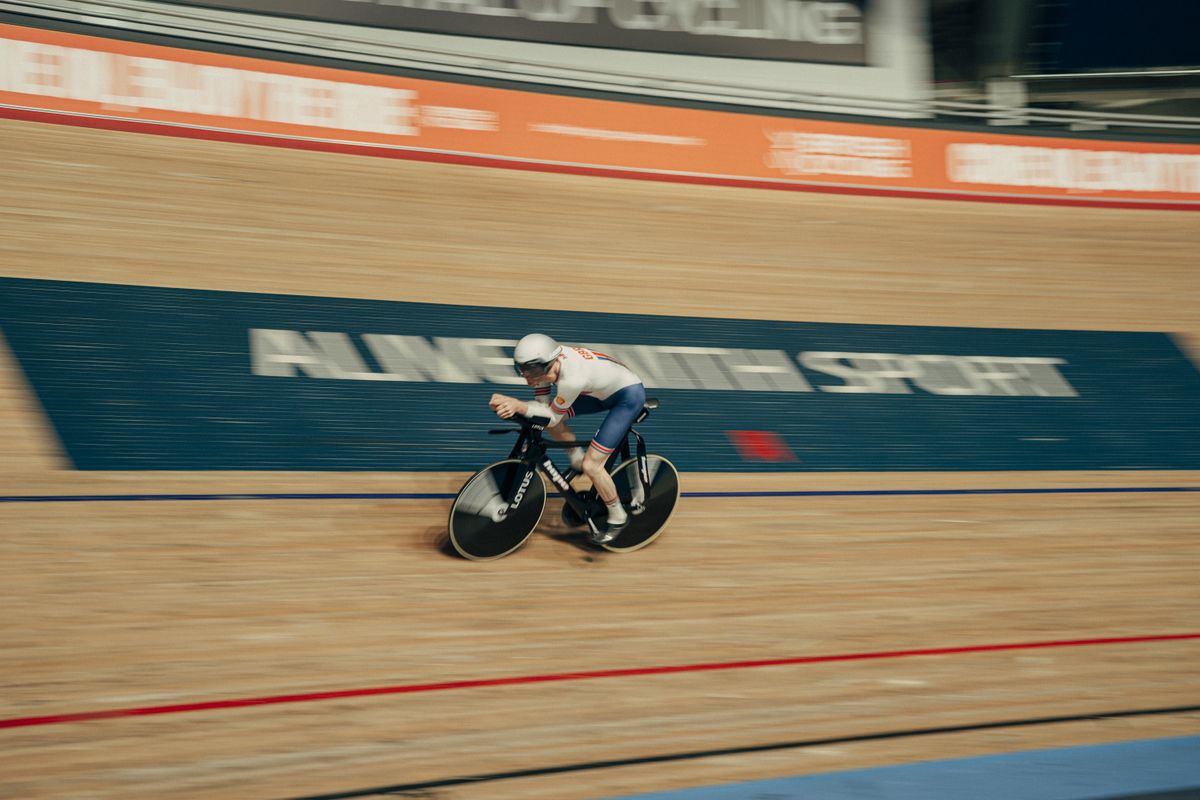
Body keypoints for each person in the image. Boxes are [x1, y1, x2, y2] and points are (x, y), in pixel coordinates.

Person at [489, 333, 646, 543]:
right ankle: (575, 458)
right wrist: (514, 405)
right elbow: (543, 407)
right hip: (598, 391)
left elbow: (552, 418)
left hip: (627, 397)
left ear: (551, 363)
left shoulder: (572, 379)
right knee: (546, 418)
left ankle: (618, 515)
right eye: (522, 369)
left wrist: (517, 405)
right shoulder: (544, 365)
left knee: (593, 466)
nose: (528, 377)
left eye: (533, 371)